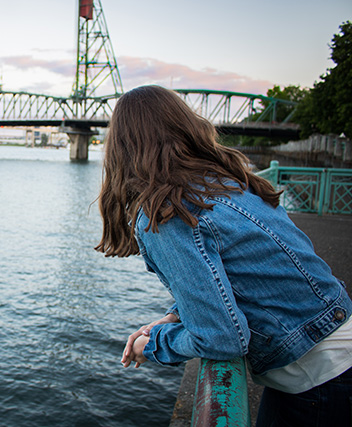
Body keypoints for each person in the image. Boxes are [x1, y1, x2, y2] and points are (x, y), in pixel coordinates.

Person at [95, 85, 352, 426]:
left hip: (316, 375)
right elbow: (242, 271)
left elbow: (221, 339)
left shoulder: (167, 212)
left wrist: (153, 344)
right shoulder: (228, 180)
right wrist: (176, 315)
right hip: (329, 340)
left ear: (121, 148)